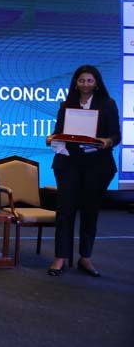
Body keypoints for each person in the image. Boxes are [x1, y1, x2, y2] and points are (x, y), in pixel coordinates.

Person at [46, 65, 120, 278]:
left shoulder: (107, 104)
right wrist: (52, 138)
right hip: (68, 164)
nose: (85, 84)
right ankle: (60, 257)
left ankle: (85, 257)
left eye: (89, 80)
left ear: (96, 83)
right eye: (81, 80)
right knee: (65, 211)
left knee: (90, 212)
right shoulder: (66, 105)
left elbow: (116, 135)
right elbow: (58, 132)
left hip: (97, 166)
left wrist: (106, 141)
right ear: (75, 83)